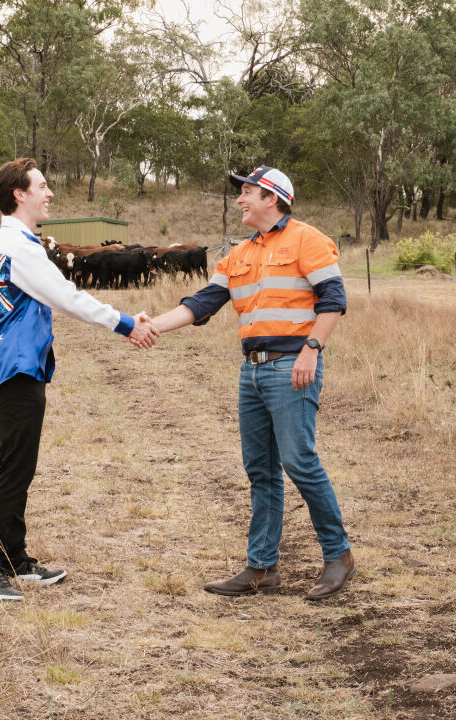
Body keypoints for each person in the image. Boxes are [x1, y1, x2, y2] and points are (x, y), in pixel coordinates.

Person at [151, 166, 354, 600]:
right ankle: (262, 569)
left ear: (272, 198)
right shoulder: (239, 253)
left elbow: (333, 301)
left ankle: (338, 557)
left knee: (299, 462)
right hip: (253, 371)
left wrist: (311, 351)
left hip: (291, 366)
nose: (240, 199)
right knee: (260, 470)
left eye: (247, 192)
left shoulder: (307, 239)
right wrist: (148, 326)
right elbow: (203, 303)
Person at [0, 157, 159, 601]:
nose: (50, 193)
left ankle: (13, 557)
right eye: (43, 186)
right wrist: (127, 323)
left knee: (21, 464)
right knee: (15, 467)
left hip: (15, 363)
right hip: (14, 366)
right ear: (20, 194)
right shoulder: (20, 247)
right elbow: (67, 297)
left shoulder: (8, 240)